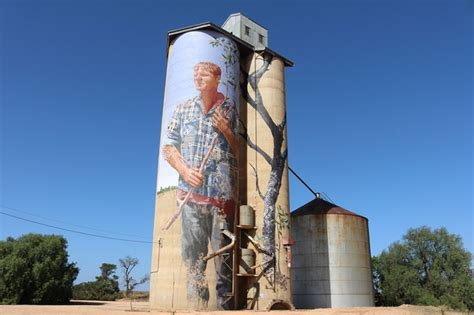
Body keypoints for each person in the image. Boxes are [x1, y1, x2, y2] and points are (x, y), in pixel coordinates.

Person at [162, 62, 238, 309]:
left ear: (217, 79)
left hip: (221, 201)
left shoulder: (229, 108)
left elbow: (240, 151)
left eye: (203, 74)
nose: (197, 77)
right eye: (195, 74)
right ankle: (197, 309)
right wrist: (184, 170)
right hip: (191, 200)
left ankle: (225, 309)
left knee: (224, 262)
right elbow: (168, 147)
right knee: (194, 262)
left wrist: (226, 130)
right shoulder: (183, 108)